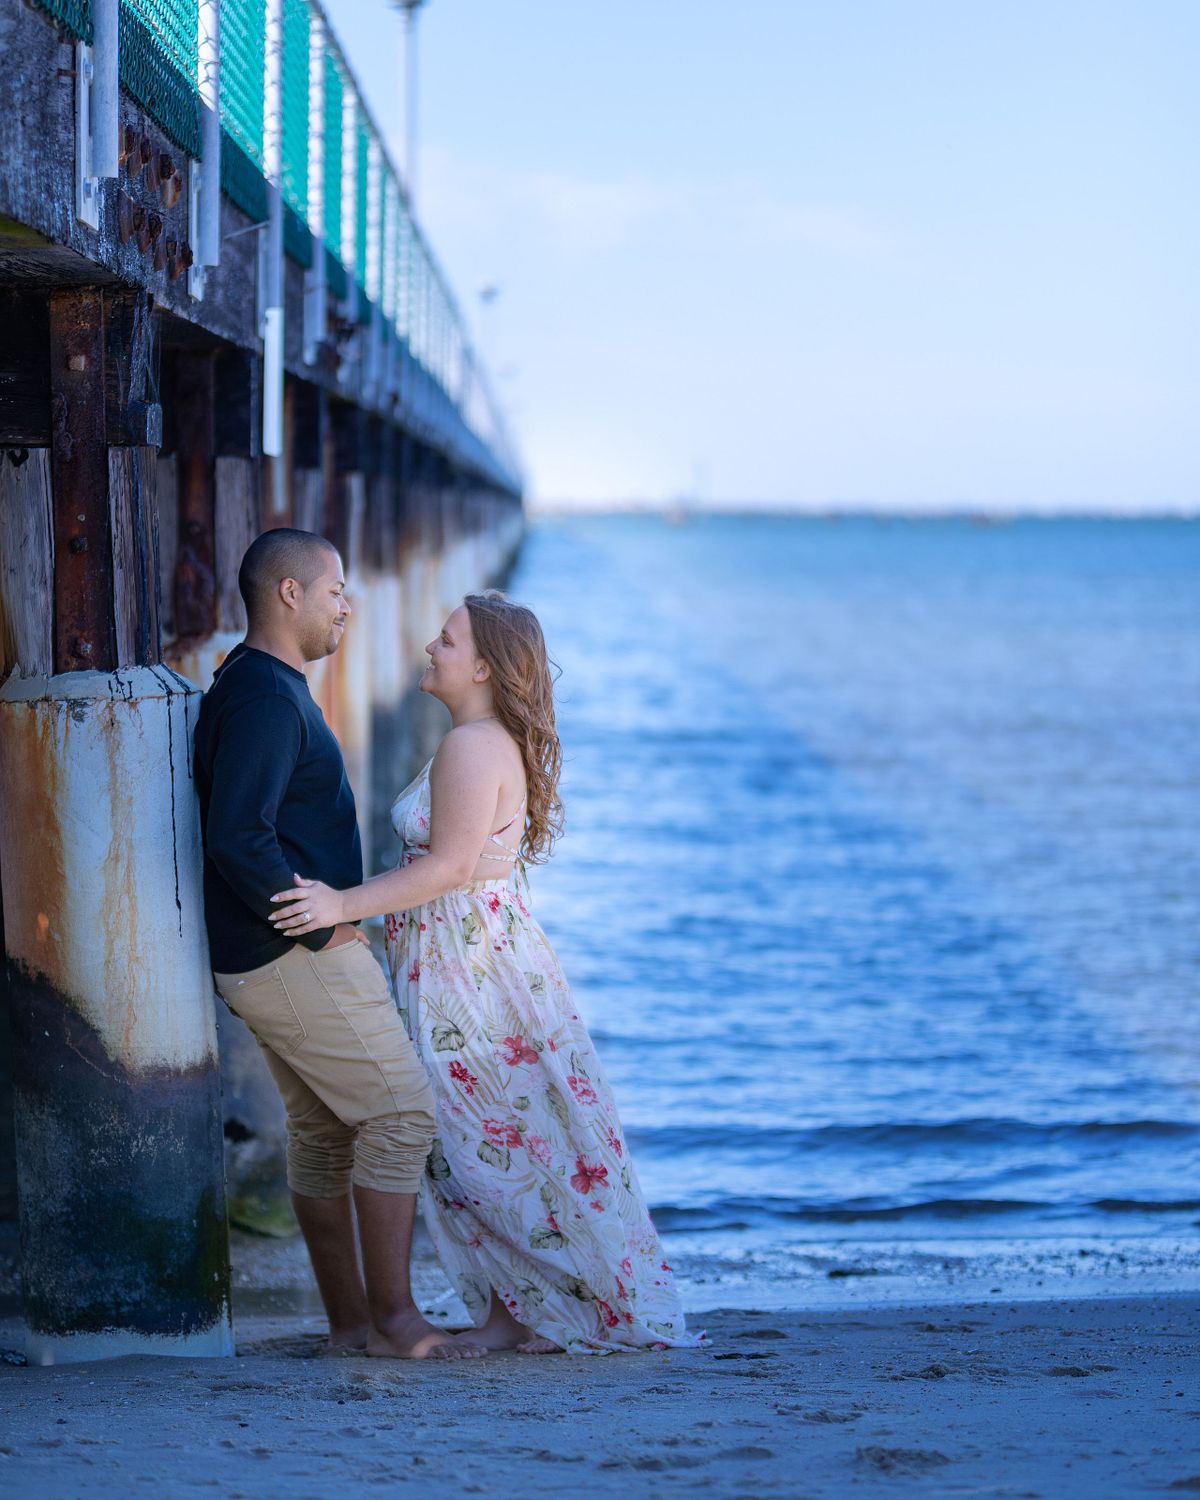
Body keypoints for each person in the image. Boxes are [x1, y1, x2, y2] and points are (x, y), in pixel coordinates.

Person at [269, 591, 697, 1354]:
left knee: (475, 1138)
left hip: (468, 969)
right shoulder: (477, 737)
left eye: (447, 639)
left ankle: (532, 1312)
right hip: (470, 956)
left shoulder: (472, 746)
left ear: (485, 667)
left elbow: (450, 868)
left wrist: (341, 905)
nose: (431, 647)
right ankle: (515, 1312)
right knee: (492, 1138)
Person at [194, 528, 478, 1361]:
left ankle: (355, 1327)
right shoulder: (266, 698)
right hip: (289, 957)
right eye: (334, 590)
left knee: (324, 1132)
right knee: (400, 1112)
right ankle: (396, 1321)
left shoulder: (262, 688)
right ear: (290, 594)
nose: (348, 605)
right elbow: (238, 834)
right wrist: (318, 921)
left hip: (270, 955)